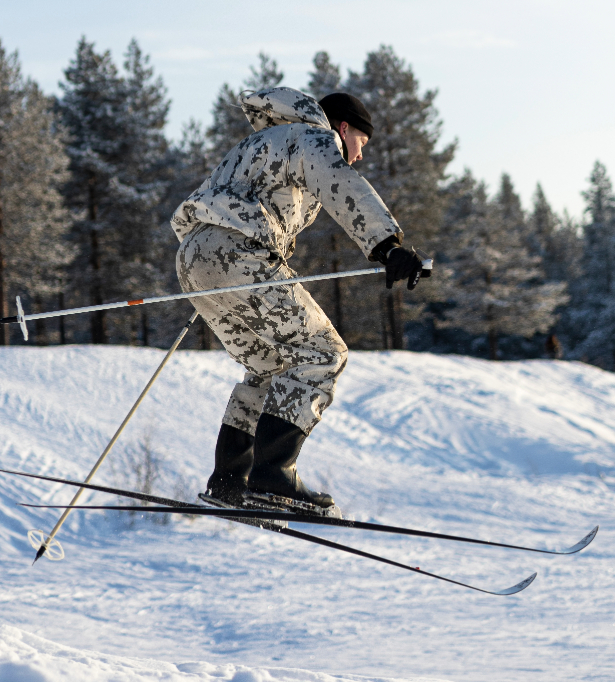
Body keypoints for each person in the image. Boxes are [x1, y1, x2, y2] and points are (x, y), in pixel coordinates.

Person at [171, 87, 426, 511]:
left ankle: (232, 481)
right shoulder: (313, 137)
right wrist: (388, 245)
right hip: (238, 254)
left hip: (195, 258)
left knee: (269, 366)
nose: (358, 155)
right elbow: (343, 184)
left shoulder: (258, 142)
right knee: (324, 353)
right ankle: (273, 478)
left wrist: (211, 266)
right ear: (343, 128)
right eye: (360, 143)